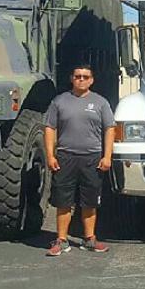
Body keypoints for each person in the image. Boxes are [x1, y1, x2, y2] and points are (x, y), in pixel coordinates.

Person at [44, 64, 115, 257]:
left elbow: (110, 129)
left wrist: (107, 156)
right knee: (63, 200)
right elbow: (50, 128)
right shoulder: (59, 101)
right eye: (77, 76)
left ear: (91, 80)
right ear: (71, 78)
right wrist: (50, 155)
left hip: (92, 159)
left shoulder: (100, 103)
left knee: (89, 202)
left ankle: (90, 239)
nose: (81, 79)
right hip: (65, 157)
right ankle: (61, 240)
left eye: (85, 76)